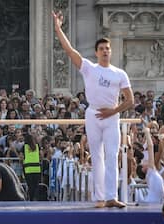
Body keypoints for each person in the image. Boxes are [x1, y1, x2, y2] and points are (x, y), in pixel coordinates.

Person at [52, 11, 134, 208]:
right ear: (96, 52)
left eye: (107, 48)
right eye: (101, 49)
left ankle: (111, 196)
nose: (105, 51)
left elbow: (129, 100)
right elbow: (70, 50)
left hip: (111, 116)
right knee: (96, 155)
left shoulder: (119, 73)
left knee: (112, 155)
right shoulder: (89, 67)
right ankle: (99, 197)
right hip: (93, 114)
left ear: (110, 51)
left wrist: (113, 111)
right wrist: (57, 28)